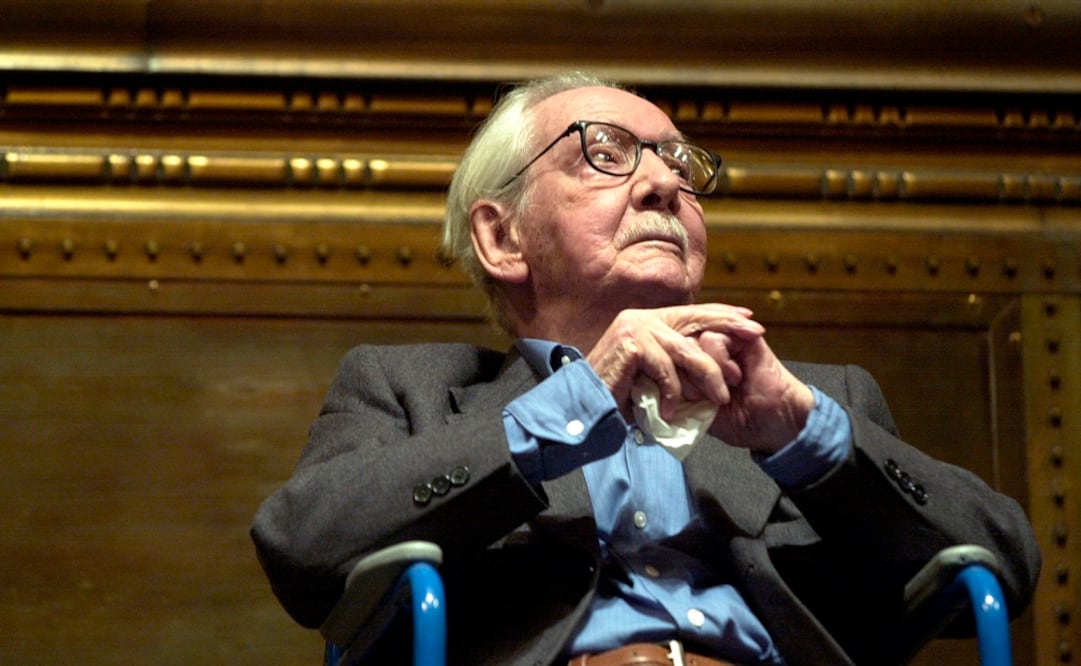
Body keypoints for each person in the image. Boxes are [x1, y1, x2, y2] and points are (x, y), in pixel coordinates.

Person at [252, 72, 1041, 666]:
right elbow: (304, 546)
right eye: (605, 154)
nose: (665, 182)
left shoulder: (820, 399)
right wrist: (574, 398)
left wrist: (803, 434)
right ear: (503, 239)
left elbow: (999, 570)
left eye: (677, 164)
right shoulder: (407, 388)